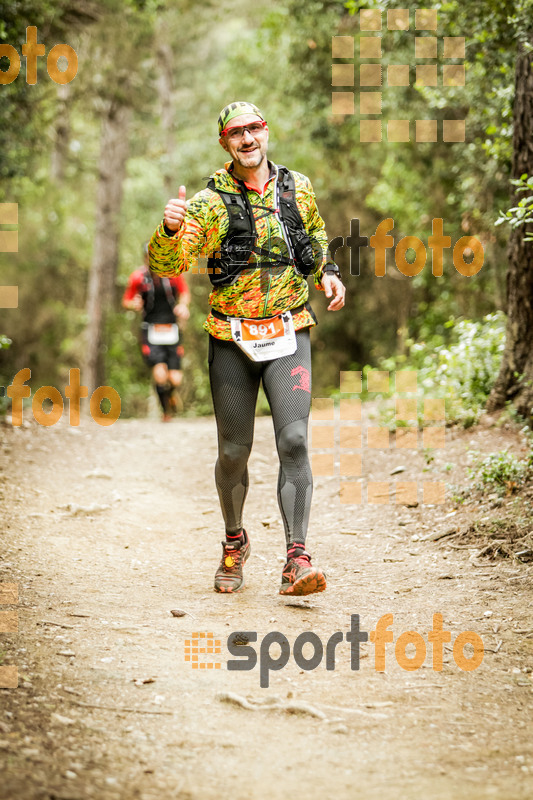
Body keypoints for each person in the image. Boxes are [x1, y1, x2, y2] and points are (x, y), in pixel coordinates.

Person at [148, 101, 345, 594]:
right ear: (225, 144)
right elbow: (168, 264)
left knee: (294, 440)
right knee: (234, 452)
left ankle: (297, 559)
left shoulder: (296, 186)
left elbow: (314, 235)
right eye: (236, 133)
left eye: (253, 128)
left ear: (266, 131)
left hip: (289, 330)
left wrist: (328, 273)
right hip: (231, 338)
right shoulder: (209, 202)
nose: (247, 138)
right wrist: (170, 229)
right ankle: (234, 543)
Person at [122, 243, 190, 421]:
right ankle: (166, 412)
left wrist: (182, 306)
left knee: (175, 379)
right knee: (160, 374)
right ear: (145, 258)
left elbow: (184, 293)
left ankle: (171, 396)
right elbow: (127, 300)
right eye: (150, 257)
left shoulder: (174, 275)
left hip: (172, 328)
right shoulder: (138, 277)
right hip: (151, 329)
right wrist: (133, 304)